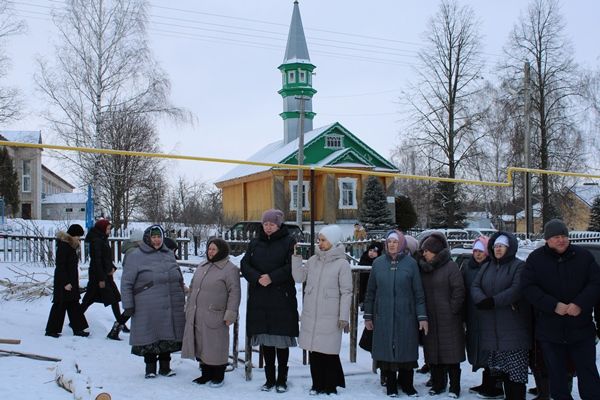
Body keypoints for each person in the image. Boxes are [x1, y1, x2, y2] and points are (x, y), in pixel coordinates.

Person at [521, 219, 600, 400]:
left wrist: (580, 303)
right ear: (548, 239)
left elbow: (596, 283)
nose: (561, 240)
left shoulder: (584, 257)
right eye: (556, 237)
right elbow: (528, 288)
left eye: (564, 236)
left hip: (581, 329)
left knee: (589, 375)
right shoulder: (535, 259)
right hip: (550, 332)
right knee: (557, 377)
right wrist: (553, 305)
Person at [364, 230, 428, 398]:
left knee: (406, 348)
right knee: (386, 349)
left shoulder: (411, 264)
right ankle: (390, 384)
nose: (391, 244)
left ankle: (407, 385)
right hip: (383, 314)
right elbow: (370, 292)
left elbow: (418, 293)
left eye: (395, 241)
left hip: (406, 314)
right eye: (389, 241)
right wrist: (368, 316)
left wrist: (422, 317)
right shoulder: (378, 263)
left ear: (401, 244)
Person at [240, 209, 299, 393]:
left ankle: (282, 379)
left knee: (280, 340)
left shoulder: (289, 241)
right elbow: (244, 264)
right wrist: (257, 277)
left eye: (271, 224)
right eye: (265, 224)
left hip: (281, 297)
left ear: (278, 225)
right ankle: (269, 379)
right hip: (261, 297)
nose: (268, 227)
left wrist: (272, 277)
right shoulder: (255, 242)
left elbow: (292, 265)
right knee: (266, 339)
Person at [292, 225, 352, 395]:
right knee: (315, 352)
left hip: (331, 315)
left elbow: (346, 292)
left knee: (329, 352)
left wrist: (343, 316)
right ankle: (316, 384)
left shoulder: (342, 264)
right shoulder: (313, 260)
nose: (320, 243)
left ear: (333, 241)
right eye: (319, 240)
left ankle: (331, 385)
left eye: (324, 240)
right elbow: (299, 277)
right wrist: (296, 257)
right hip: (313, 314)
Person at [120, 225, 186, 378]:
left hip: (170, 302)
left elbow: (177, 276)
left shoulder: (168, 253)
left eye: (159, 237)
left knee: (167, 335)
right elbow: (126, 283)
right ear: (147, 238)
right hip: (146, 304)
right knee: (150, 336)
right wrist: (128, 304)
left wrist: (181, 294)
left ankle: (165, 367)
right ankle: (150, 369)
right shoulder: (135, 256)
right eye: (154, 237)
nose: (157, 240)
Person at [471, 232, 531, 400]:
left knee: (516, 373)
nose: (498, 249)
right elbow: (475, 285)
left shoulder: (519, 266)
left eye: (502, 246)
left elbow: (516, 290)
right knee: (502, 371)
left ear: (509, 248)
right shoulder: (487, 266)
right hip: (493, 329)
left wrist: (493, 301)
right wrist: (481, 300)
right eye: (496, 246)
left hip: (513, 327)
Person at [182, 238, 241, 388]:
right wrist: (189, 307)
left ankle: (218, 376)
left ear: (221, 251)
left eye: (214, 249)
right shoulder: (202, 265)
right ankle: (205, 374)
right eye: (209, 249)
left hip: (217, 314)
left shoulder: (230, 269)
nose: (211, 252)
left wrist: (230, 314)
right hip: (198, 313)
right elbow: (193, 286)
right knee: (202, 345)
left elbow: (234, 293)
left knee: (216, 345)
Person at [417, 232, 466, 398]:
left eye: (427, 251)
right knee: (433, 354)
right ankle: (438, 385)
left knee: (451, 355)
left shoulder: (450, 267)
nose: (423, 253)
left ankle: (455, 387)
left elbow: (459, 290)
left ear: (436, 251)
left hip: (449, 318)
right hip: (430, 317)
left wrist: (452, 310)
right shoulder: (424, 269)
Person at [461, 236, 504, 399]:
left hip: (489, 315)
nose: (478, 254)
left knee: (491, 349)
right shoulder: (468, 268)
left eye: (481, 251)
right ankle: (486, 382)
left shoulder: (494, 267)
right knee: (478, 348)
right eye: (476, 251)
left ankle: (495, 385)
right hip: (473, 315)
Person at [80, 219, 127, 340]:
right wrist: (101, 278)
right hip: (98, 276)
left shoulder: (102, 239)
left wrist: (112, 267)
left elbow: (106, 258)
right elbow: (97, 261)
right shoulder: (96, 241)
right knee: (92, 299)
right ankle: (76, 319)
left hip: (106, 275)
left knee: (113, 299)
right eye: (107, 229)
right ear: (102, 229)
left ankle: (121, 323)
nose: (109, 231)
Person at [45, 224, 89, 338]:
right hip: (64, 281)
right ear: (72, 235)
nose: (79, 239)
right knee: (60, 305)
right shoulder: (64, 247)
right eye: (78, 236)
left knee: (73, 304)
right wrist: (66, 283)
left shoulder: (70, 246)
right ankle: (51, 330)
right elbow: (61, 266)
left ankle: (78, 329)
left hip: (70, 280)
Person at [357, 241, 382, 305]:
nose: (371, 253)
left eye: (374, 251)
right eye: (370, 250)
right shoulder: (363, 259)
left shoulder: (379, 263)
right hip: (361, 290)